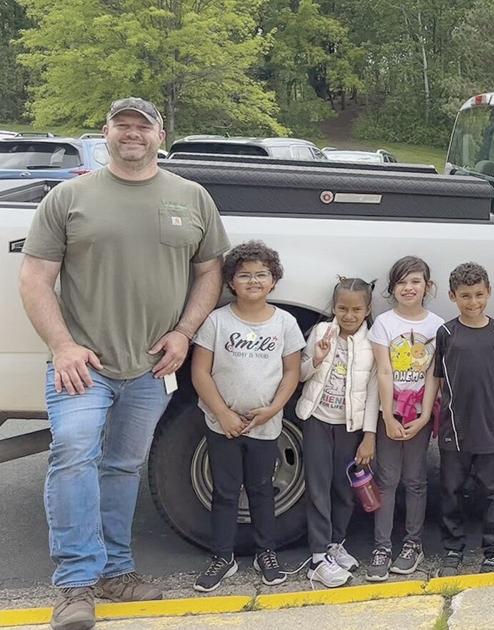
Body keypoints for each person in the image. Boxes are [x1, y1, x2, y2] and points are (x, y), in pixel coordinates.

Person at [19, 97, 228, 630]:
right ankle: (75, 585)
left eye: (143, 126)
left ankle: (115, 572)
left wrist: (184, 332)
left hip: (152, 368)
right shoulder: (68, 197)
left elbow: (209, 272)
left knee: (123, 467)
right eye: (122, 125)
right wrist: (63, 346)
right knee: (72, 456)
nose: (132, 133)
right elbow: (35, 276)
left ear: (161, 136)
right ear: (105, 134)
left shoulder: (192, 197)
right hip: (81, 365)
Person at [191, 241, 305, 592]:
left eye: (261, 275)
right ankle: (221, 557)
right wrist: (222, 413)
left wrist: (272, 410)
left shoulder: (285, 323)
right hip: (222, 424)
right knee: (225, 492)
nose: (253, 281)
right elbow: (200, 372)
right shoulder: (216, 321)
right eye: (244, 275)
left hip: (266, 424)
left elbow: (291, 373)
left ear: (273, 281)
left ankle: (265, 552)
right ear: (231, 282)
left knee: (261, 490)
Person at [365, 257, 444, 580]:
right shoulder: (383, 323)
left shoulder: (437, 326)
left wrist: (426, 415)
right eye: (401, 283)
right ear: (392, 289)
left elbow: (433, 375)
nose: (408, 288)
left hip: (419, 413)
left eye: (415, 281)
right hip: (390, 410)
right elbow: (383, 371)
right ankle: (382, 546)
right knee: (387, 479)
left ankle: (413, 544)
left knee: (415, 480)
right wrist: (386, 415)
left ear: (428, 285)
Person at [298, 278, 379, 587]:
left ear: (367, 310)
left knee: (345, 488)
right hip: (317, 419)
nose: (349, 315)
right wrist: (317, 358)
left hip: (350, 426)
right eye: (342, 308)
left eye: (356, 309)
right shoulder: (322, 332)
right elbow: (301, 373)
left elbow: (373, 391)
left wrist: (369, 435)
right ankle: (318, 557)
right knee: (318, 486)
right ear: (334, 307)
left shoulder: (372, 343)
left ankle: (336, 543)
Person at [432, 262, 494, 576]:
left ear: (489, 292)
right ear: (453, 296)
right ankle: (453, 548)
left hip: (492, 427)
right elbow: (437, 379)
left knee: (493, 492)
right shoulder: (446, 332)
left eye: (479, 294)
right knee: (450, 490)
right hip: (455, 428)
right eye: (465, 296)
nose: (473, 302)